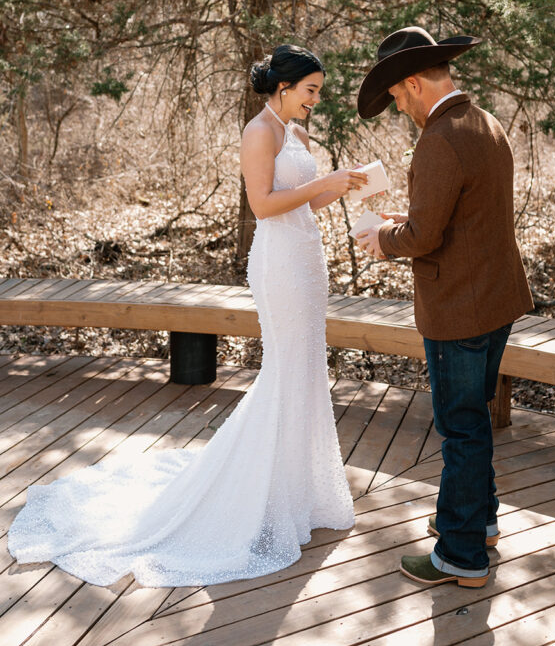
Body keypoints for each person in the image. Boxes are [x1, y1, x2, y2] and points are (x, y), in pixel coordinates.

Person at [8, 43, 366, 587]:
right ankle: (259, 498)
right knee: (285, 371)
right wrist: (320, 184)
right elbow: (263, 204)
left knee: (307, 370)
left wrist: (339, 185)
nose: (316, 100)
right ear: (284, 87)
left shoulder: (297, 131)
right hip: (278, 265)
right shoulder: (260, 131)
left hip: (307, 258)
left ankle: (299, 496)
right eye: (311, 90)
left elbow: (303, 200)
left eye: (319, 91)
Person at [355, 26, 533, 588]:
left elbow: (425, 236)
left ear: (412, 81)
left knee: (460, 428)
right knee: (473, 416)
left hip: (459, 308)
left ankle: (459, 555)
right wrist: (397, 225)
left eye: (399, 97)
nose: (399, 107)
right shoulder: (485, 123)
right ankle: (477, 523)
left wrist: (380, 240)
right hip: (496, 298)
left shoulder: (439, 138)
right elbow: (462, 217)